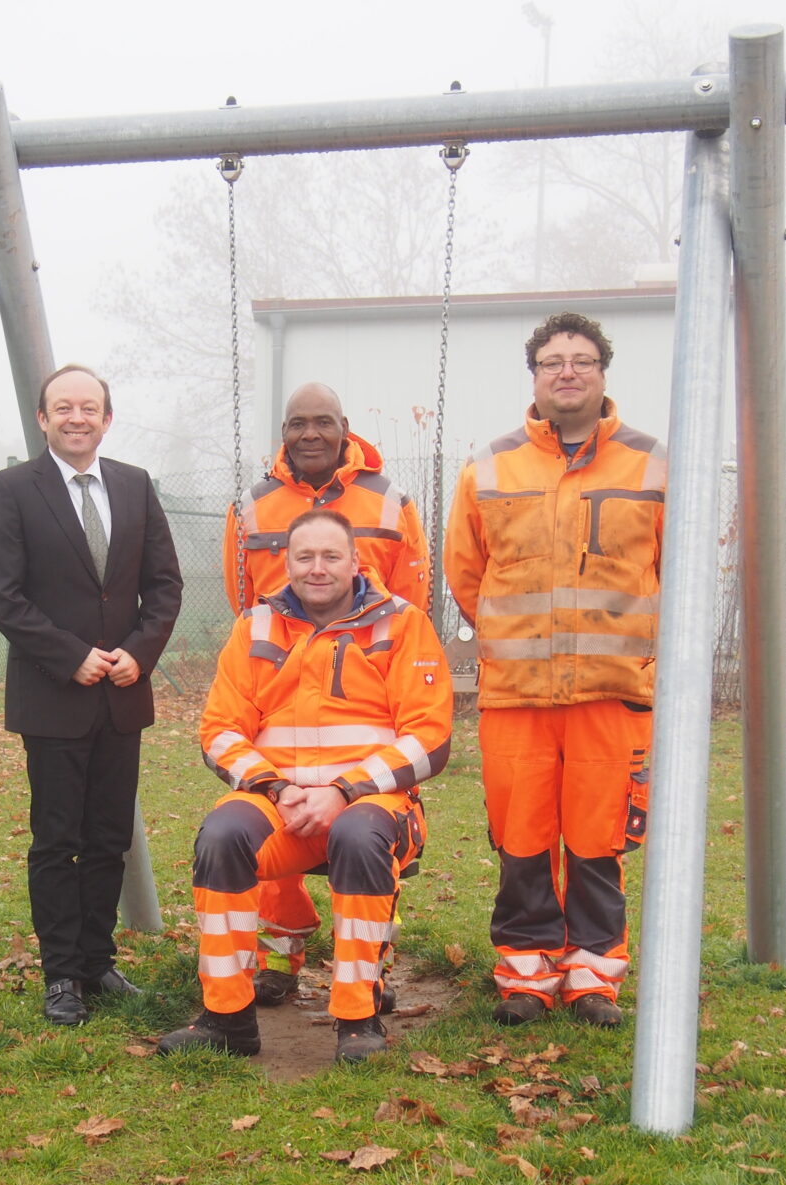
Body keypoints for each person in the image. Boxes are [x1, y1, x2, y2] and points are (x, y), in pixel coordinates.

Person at [159, 510, 451, 1064]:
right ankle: (226, 1016)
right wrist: (273, 787)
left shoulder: (403, 623)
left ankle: (358, 1017)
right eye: (305, 557)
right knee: (221, 835)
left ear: (355, 562)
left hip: (372, 806)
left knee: (361, 839)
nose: (318, 569)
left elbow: (430, 738)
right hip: (280, 805)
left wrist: (345, 790)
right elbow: (219, 730)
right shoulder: (256, 625)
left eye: (331, 556)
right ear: (287, 563)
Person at [444, 312, 663, 1029]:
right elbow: (465, 573)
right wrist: (518, 638)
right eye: (551, 362)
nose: (567, 371)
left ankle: (594, 978)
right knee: (523, 837)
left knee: (599, 839)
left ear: (604, 372)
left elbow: (674, 570)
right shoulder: (491, 467)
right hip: (517, 698)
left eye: (582, 359)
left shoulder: (653, 465)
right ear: (534, 377)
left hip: (613, 693)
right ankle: (525, 976)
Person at [0, 364, 184, 1027]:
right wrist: (73, 657)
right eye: (62, 407)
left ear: (107, 417)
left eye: (88, 407)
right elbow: (0, 593)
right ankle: (61, 973)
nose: (76, 417)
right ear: (42, 419)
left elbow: (166, 584)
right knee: (56, 839)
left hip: (123, 695)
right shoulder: (12, 490)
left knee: (108, 839)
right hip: (53, 696)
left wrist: (138, 653)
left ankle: (98, 960)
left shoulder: (135, 486)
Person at [220, 382, 432, 1007]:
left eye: (322, 423)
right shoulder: (255, 506)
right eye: (296, 424)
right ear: (282, 432)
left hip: (363, 683)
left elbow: (412, 593)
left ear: (345, 428)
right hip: (275, 682)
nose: (310, 434)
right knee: (263, 800)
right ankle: (278, 952)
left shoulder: (389, 501)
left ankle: (366, 968)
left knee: (366, 827)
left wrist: (381, 666)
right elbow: (241, 598)